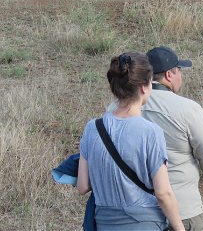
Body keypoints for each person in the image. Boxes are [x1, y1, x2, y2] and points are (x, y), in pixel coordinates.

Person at [77, 52, 184, 231]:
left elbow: (82, 186)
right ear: (144, 87)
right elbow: (163, 193)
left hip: (104, 224)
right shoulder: (151, 132)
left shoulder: (92, 128)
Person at [144, 46, 203, 231]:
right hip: (182, 209)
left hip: (136, 212)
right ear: (169, 75)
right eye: (179, 71)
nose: (181, 77)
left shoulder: (120, 108)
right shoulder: (187, 109)